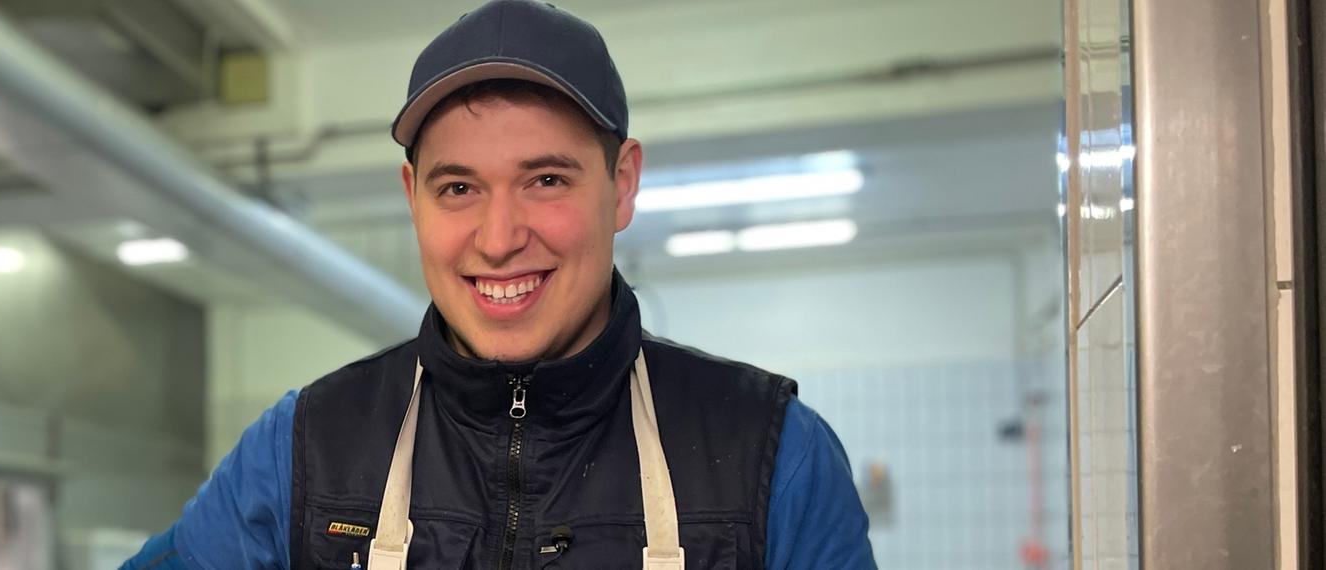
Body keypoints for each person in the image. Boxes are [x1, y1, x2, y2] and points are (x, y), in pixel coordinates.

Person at [123, 1, 875, 568]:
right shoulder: (305, 450)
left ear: (621, 184)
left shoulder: (772, 456)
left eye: (545, 179)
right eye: (458, 189)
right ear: (412, 194)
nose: (499, 237)